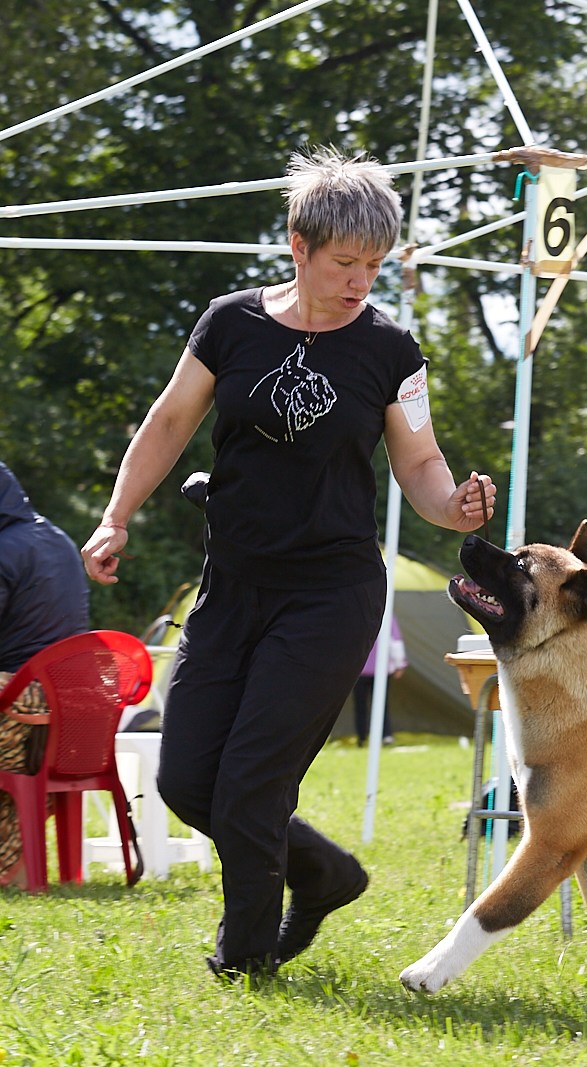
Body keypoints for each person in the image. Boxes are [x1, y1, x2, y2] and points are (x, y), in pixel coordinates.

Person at [80, 146, 496, 978]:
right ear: (298, 246)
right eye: (345, 262)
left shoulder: (390, 348)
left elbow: (418, 463)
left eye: (374, 265)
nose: (360, 280)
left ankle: (244, 961)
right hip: (232, 584)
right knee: (189, 777)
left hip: (330, 593)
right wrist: (114, 517)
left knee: (251, 780)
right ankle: (326, 873)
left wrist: (450, 506)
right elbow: (167, 423)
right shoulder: (229, 322)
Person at [0, 462, 90, 887]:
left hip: (21, 700)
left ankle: (12, 865)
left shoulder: (5, 550)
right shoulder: (58, 538)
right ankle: (15, 867)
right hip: (74, 708)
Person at [353, 615, 406, 746]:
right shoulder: (388, 616)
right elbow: (395, 642)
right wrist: (400, 663)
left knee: (360, 706)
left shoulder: (358, 615)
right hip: (380, 670)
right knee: (381, 705)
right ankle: (385, 735)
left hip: (359, 671)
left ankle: (361, 737)